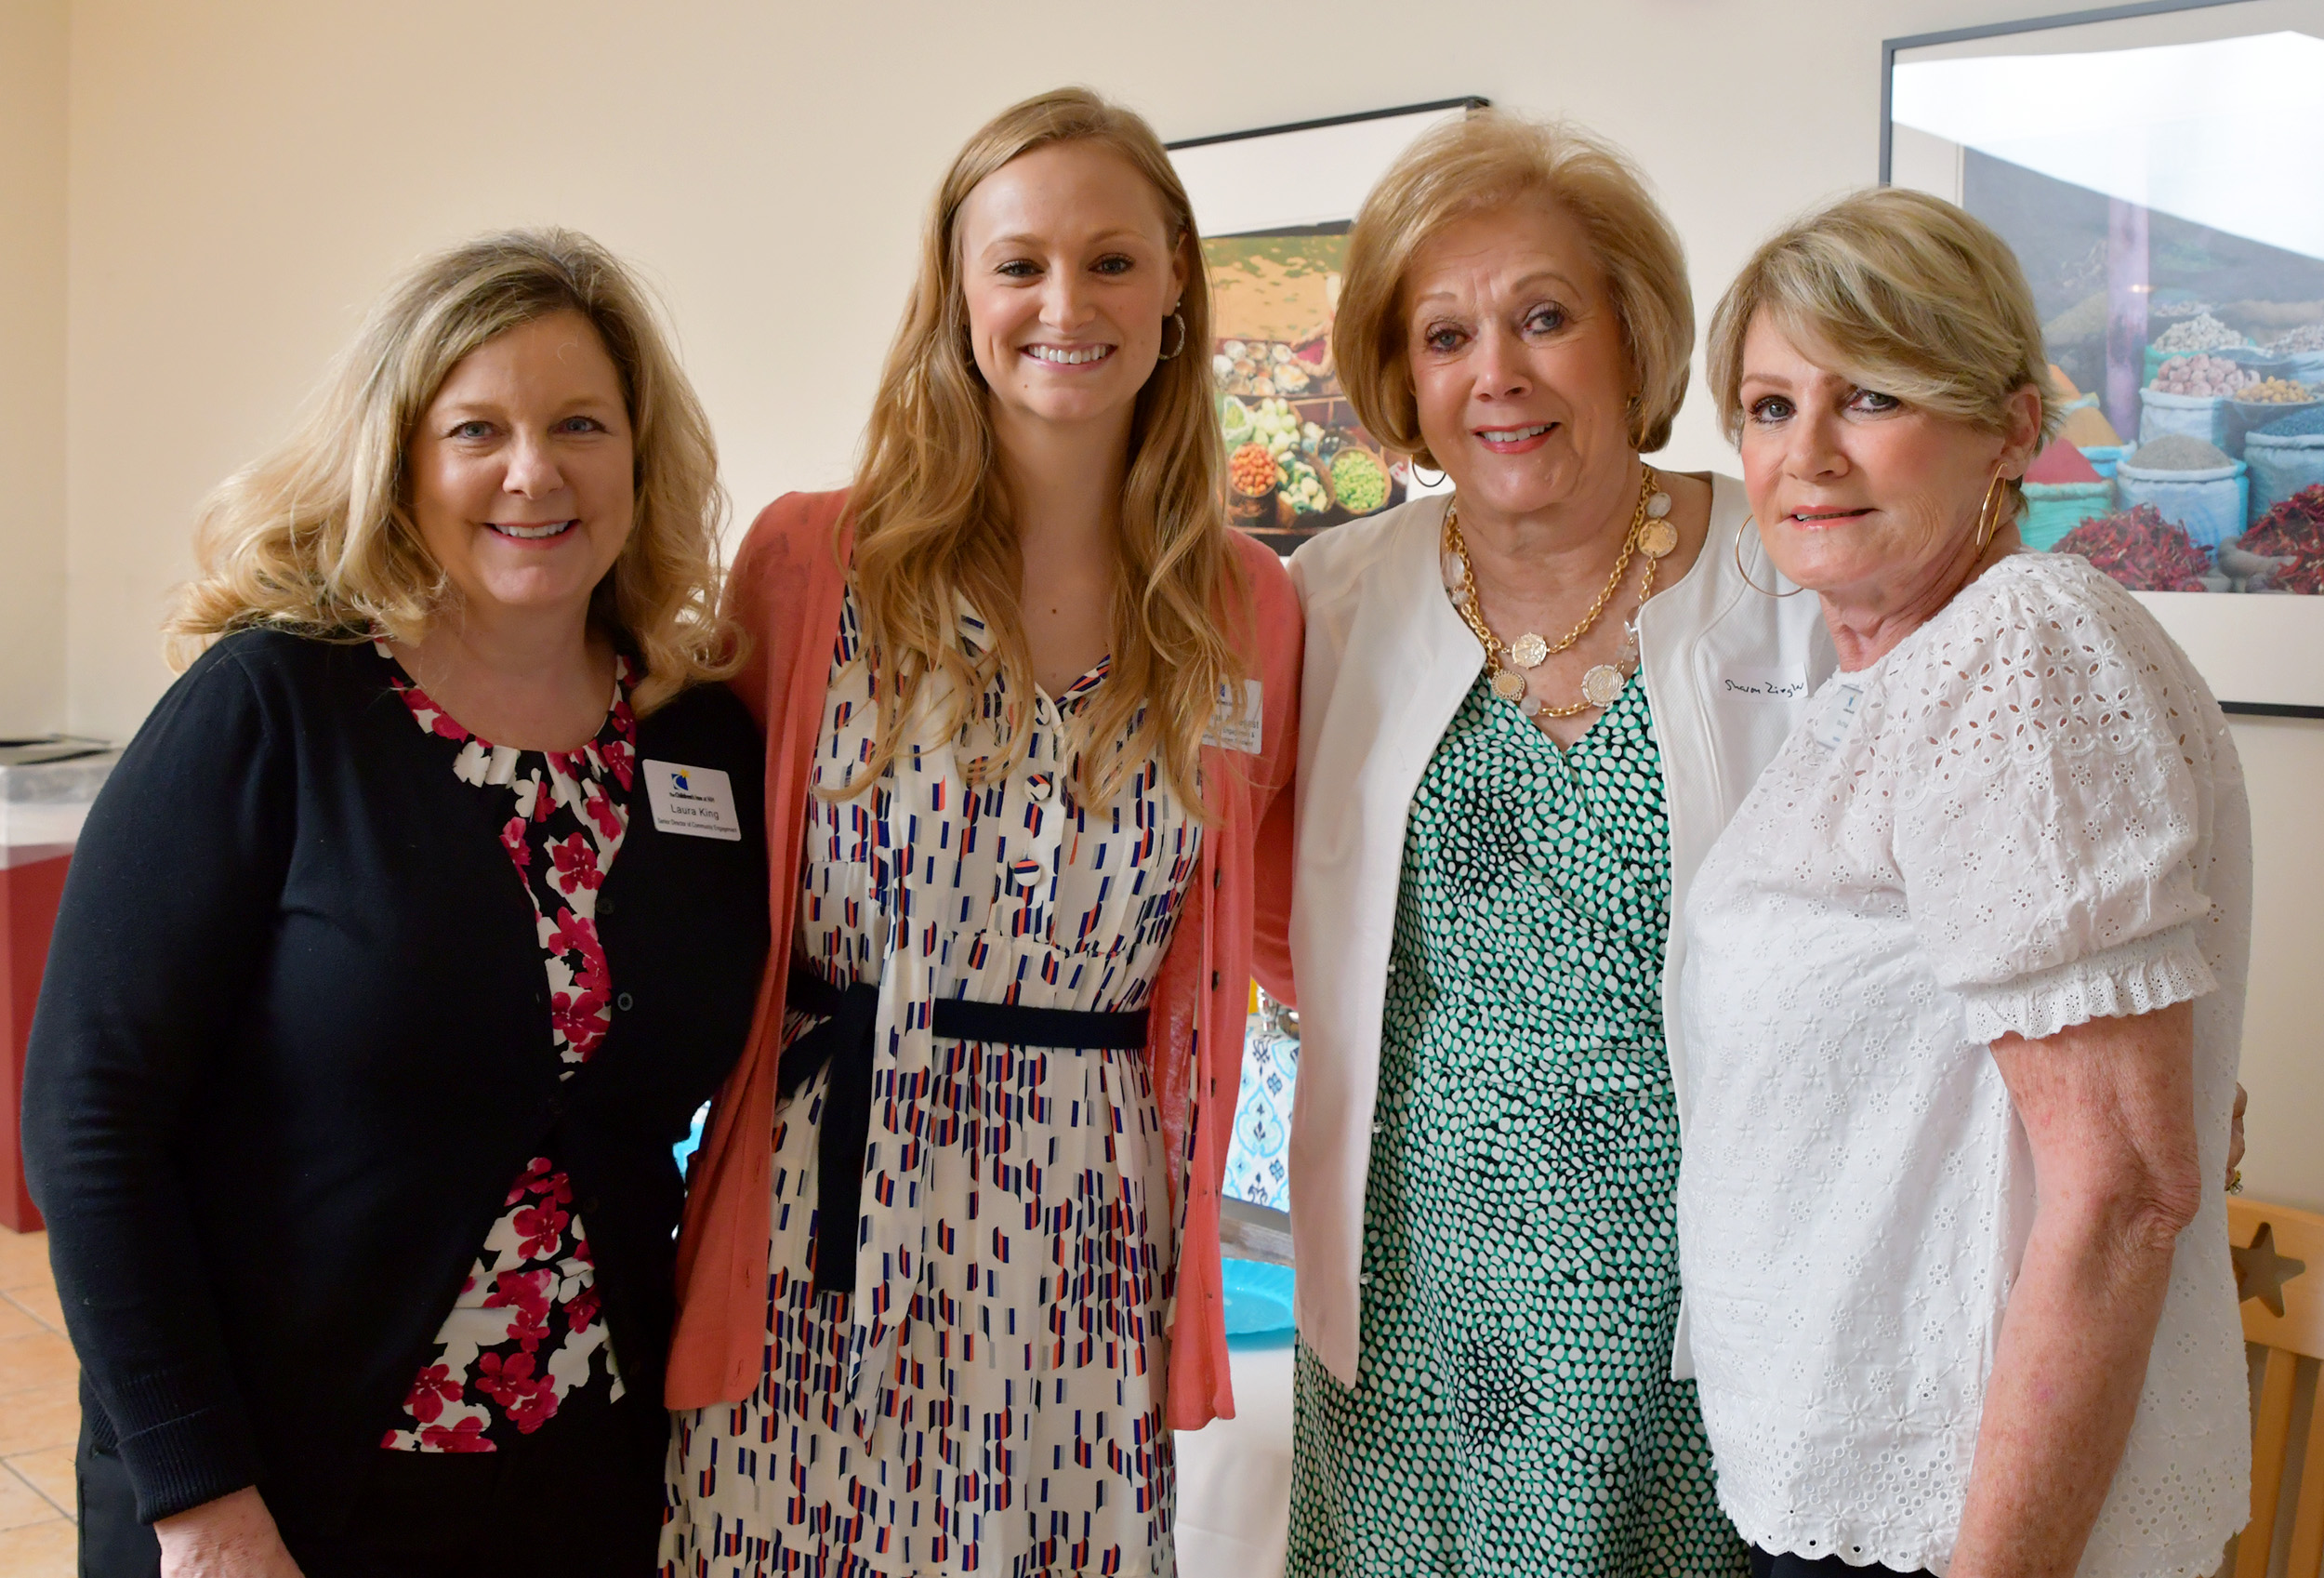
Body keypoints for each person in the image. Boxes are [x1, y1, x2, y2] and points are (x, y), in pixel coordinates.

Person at [22, 230, 771, 1577]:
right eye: (475, 425)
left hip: (585, 1475)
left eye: (580, 423)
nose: (531, 469)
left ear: (639, 457)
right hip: (282, 1486)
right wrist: (195, 1492)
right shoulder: (272, 706)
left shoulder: (697, 736)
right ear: (401, 458)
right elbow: (89, 1115)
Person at [659, 87, 1301, 1577]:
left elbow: (1272, 923)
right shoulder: (813, 557)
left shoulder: (1247, 608)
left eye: (1112, 260)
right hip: (822, 1193)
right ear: (957, 294)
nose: (1063, 304)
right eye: (1017, 264)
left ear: (1176, 287)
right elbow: (683, 860)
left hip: (1086, 1223)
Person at [1282, 110, 1832, 1575]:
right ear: (1402, 376)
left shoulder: (1792, 587)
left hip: (1706, 1312)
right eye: (1445, 334)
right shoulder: (1328, 601)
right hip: (1410, 1296)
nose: (1497, 373)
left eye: (1543, 316)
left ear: (1632, 336)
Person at [1675, 188, 2250, 1578]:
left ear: (2007, 424)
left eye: (1868, 396)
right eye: (1766, 407)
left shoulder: (2021, 651)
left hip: (1955, 1524)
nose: (1805, 454)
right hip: (1852, 1489)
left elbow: (2123, 1190)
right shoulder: (1879, 678)